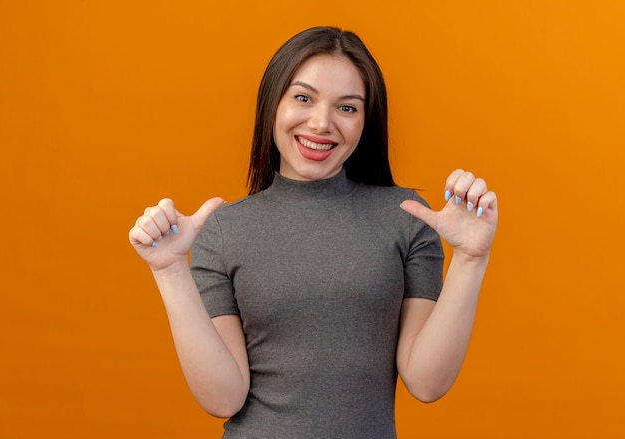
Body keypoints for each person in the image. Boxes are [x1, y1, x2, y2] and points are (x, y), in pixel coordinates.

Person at [129, 26, 497, 438]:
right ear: (273, 104)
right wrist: (170, 271)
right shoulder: (224, 231)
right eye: (303, 98)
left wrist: (470, 259)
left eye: (347, 108)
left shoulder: (408, 218)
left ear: (366, 121)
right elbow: (223, 399)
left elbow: (427, 383)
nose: (322, 123)